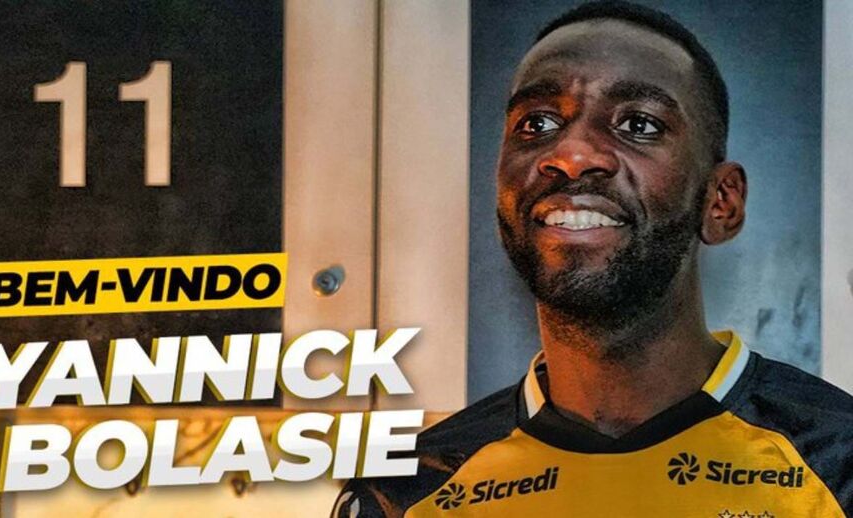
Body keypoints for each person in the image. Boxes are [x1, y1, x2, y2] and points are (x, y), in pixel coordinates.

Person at [332, 1, 853, 516]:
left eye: (639, 124)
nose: (572, 155)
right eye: (537, 123)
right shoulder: (405, 492)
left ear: (721, 202)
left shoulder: (837, 462)